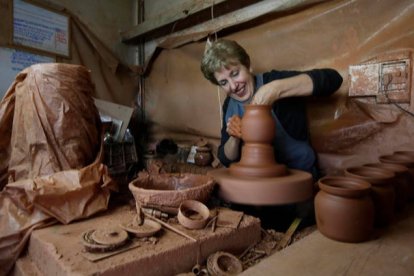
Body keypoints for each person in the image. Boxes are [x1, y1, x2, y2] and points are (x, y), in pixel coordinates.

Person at [200, 39, 343, 230]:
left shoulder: (273, 81)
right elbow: (226, 158)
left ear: (248, 65)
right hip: (256, 190)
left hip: (294, 187)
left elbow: (333, 79)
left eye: (235, 74)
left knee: (287, 225)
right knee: (239, 222)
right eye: (224, 82)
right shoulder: (229, 105)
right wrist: (234, 137)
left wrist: (275, 90)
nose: (233, 86)